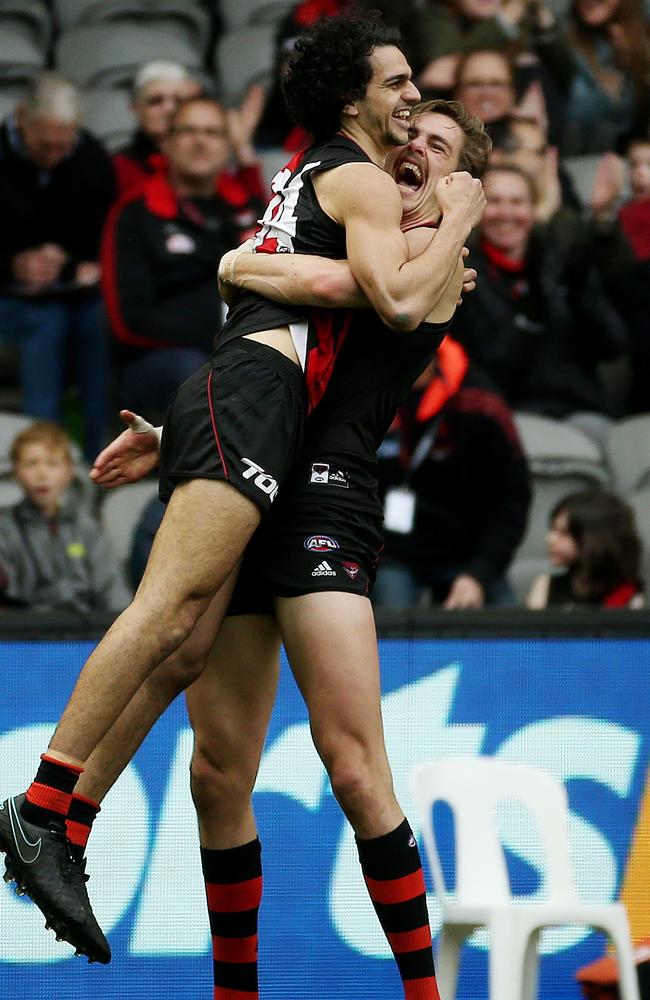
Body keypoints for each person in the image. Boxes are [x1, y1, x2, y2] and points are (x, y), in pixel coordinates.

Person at [0, 12, 485, 965]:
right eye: (407, 119)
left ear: (464, 171)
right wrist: (246, 282)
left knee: (339, 758)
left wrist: (244, 263)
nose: (415, 140)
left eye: (440, 143)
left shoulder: (444, 265)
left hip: (324, 486)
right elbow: (313, 294)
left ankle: (58, 814)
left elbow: (380, 292)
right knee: (212, 745)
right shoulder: (358, 194)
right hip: (258, 427)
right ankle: (55, 814)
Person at [102, 97, 264, 423]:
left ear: (227, 144)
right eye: (188, 131)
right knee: (199, 372)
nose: (201, 141)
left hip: (242, 348)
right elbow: (127, 320)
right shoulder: (135, 213)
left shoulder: (246, 206)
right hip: (162, 359)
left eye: (212, 132)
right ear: (167, 142)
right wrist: (212, 337)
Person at [450, 164, 627, 445]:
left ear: (534, 210)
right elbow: (476, 367)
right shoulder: (462, 274)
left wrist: (576, 286)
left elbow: (613, 344)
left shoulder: (563, 263)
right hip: (507, 414)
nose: (506, 213)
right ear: (479, 210)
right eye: (495, 202)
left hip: (579, 410)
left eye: (517, 202)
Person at [0, 72, 115, 461]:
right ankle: (44, 458)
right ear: (20, 119)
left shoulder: (89, 156)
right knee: (46, 324)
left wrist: (84, 263)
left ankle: (97, 456)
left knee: (97, 320)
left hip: (73, 292)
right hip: (10, 296)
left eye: (62, 148)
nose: (54, 156)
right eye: (44, 146)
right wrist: (13, 265)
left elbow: (106, 233)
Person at [372, 336, 530, 609]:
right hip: (390, 555)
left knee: (511, 633)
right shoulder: (364, 395)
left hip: (467, 555)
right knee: (388, 629)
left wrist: (479, 573)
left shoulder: (481, 403)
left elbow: (513, 498)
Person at [0, 421, 129, 614]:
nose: (42, 474)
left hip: (85, 635)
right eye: (30, 464)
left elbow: (114, 596)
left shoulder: (88, 529)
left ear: (69, 471)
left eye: (52, 463)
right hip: (21, 636)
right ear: (16, 472)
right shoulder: (4, 527)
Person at [527, 490, 644, 608]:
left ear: (596, 539)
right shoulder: (546, 585)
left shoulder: (628, 594)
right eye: (553, 530)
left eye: (564, 533)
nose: (550, 539)